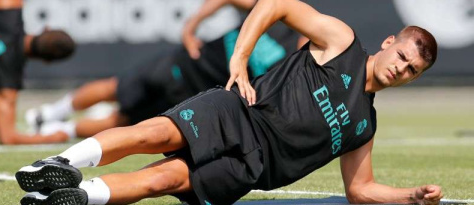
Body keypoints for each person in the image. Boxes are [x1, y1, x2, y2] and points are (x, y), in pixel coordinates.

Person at [15, 0, 442, 205]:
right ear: (389, 43)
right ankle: (59, 162)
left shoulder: (364, 124)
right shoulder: (342, 43)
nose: (401, 69)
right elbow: (278, 4)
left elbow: (359, 189)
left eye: (412, 71)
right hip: (239, 112)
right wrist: (240, 57)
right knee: (152, 134)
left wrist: (412, 196)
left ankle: (70, 197)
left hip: (252, 168)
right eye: (402, 57)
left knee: (161, 181)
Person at [25, 0, 306, 139]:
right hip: (181, 65)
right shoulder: (278, 20)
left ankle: (58, 129)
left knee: (124, 122)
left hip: (193, 93)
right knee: (116, 87)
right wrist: (192, 24)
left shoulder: (293, 66)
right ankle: (51, 112)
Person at [0, 0, 76, 144]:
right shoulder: (8, 84)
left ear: (45, 28)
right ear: (47, 62)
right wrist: (54, 137)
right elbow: (8, 138)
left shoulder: (8, 8)